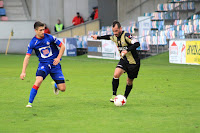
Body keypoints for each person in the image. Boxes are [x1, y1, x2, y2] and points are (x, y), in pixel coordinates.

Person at [91, 20, 140, 102]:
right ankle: (114, 95)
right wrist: (98, 37)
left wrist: (127, 50)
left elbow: (137, 44)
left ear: (120, 28)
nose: (115, 33)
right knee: (116, 74)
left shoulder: (127, 36)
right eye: (114, 31)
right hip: (124, 60)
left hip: (133, 63)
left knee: (129, 81)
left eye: (116, 31)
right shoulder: (114, 37)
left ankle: (124, 98)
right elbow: (108, 37)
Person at [20, 21, 66, 108]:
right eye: (40, 30)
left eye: (43, 29)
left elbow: (62, 46)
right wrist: (23, 72)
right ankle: (29, 103)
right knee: (38, 80)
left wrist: (58, 58)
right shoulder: (33, 43)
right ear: (36, 30)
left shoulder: (50, 37)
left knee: (63, 89)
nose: (43, 32)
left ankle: (55, 85)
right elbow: (27, 57)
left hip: (55, 65)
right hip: (43, 65)